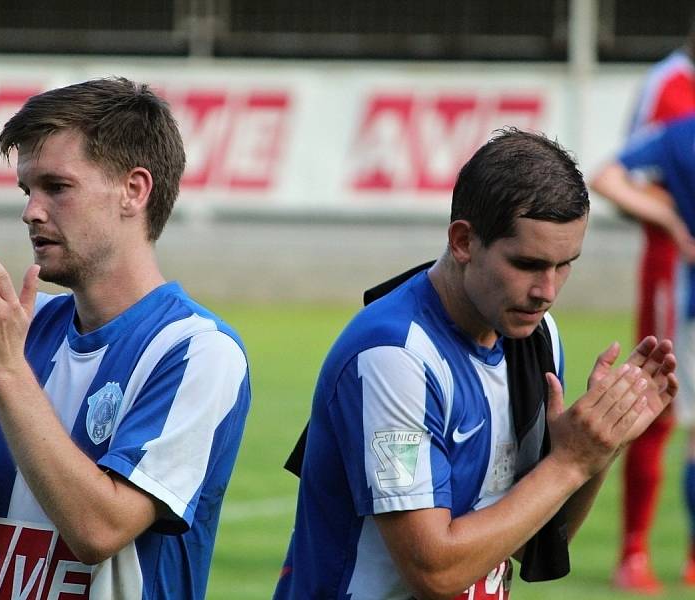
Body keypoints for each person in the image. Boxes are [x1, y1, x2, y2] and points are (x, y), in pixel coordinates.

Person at [274, 128, 678, 600]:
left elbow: (538, 539)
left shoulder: (536, 338)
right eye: (527, 264)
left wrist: (600, 446)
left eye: (565, 264)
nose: (547, 291)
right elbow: (434, 573)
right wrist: (570, 462)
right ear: (464, 241)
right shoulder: (394, 358)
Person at [0, 77, 251, 599]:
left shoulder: (196, 351)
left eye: (57, 187)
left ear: (133, 190)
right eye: (28, 190)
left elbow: (98, 530)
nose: (31, 211)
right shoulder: (23, 328)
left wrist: (5, 373)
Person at [592, 115, 695, 592]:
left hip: (683, 295)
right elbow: (606, 177)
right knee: (659, 412)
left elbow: (608, 177)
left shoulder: (680, 131)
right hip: (681, 295)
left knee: (667, 417)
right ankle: (635, 553)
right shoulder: (681, 134)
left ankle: (640, 554)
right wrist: (669, 218)